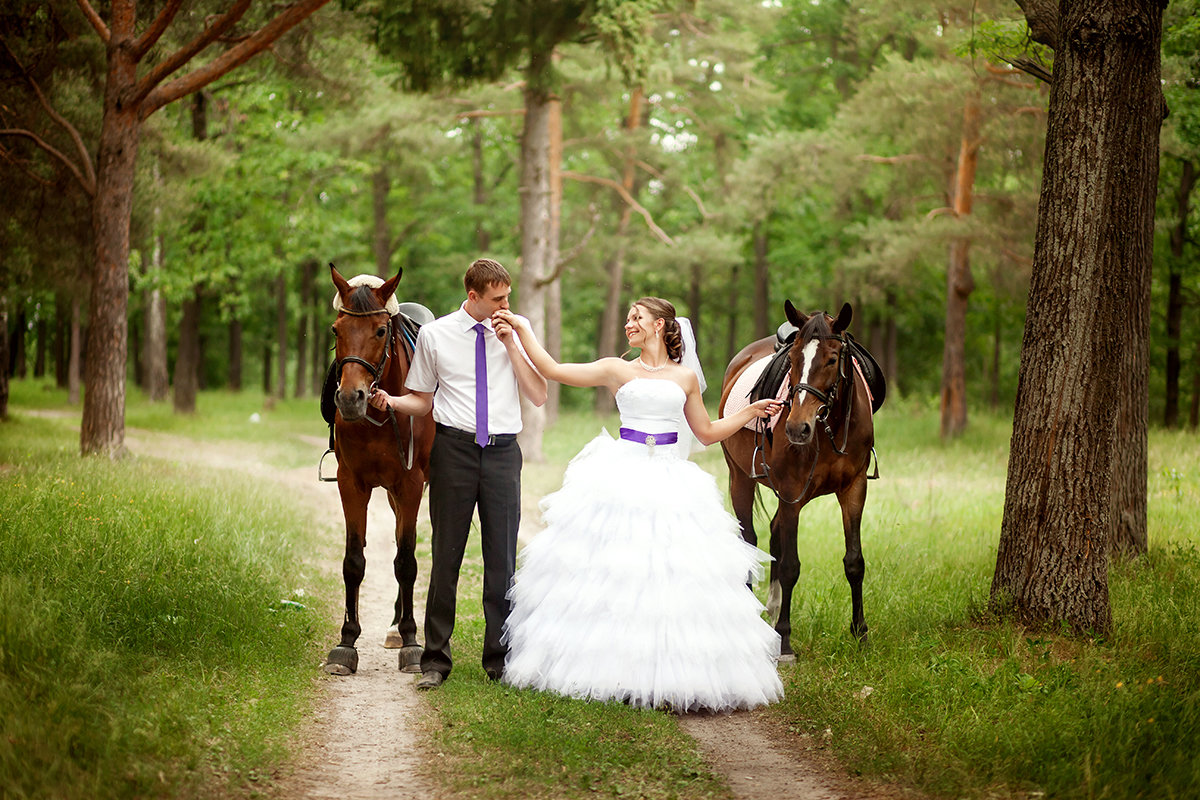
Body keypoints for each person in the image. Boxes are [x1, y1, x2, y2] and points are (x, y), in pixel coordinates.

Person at [492, 297, 785, 712]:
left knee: (673, 576)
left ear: (661, 325)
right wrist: (522, 329)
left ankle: (673, 672)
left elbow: (704, 432)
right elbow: (554, 370)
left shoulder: (684, 377)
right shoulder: (617, 369)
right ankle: (612, 669)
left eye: (637, 318)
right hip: (621, 472)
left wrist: (750, 411)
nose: (629, 323)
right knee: (614, 573)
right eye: (628, 317)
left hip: (670, 476)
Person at [368, 258, 548, 690]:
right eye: (498, 299)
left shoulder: (517, 332)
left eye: (508, 296)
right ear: (473, 297)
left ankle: (500, 661)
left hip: (503, 453)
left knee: (501, 560)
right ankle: (434, 661)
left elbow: (538, 394)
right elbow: (422, 400)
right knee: (447, 556)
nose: (507, 305)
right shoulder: (435, 335)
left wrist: (510, 345)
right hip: (453, 451)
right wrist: (390, 402)